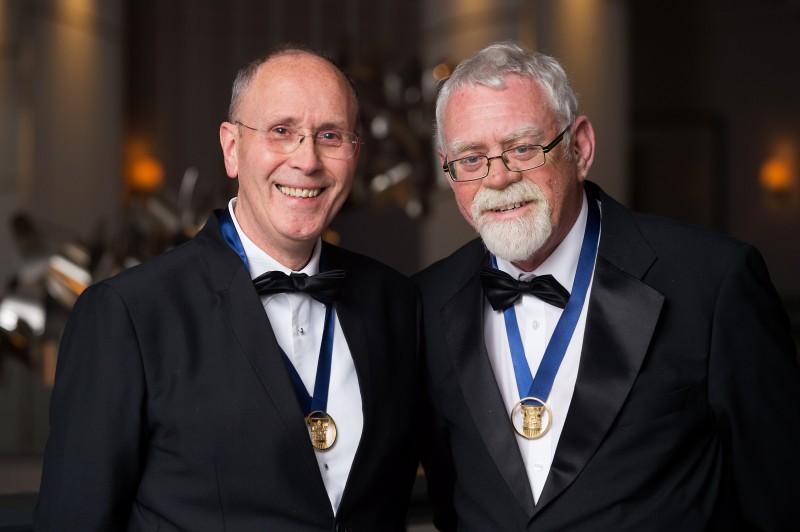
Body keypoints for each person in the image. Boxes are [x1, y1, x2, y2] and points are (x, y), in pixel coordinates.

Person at [415, 40, 800, 531]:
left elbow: (782, 501)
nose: (497, 178)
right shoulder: (425, 301)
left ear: (580, 148)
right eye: (471, 159)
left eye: (523, 148)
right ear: (449, 170)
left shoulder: (714, 280)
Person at [35, 44, 420, 531]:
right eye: (282, 132)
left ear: (355, 154)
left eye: (331, 136)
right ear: (232, 148)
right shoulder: (126, 314)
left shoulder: (397, 303)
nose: (308, 160)